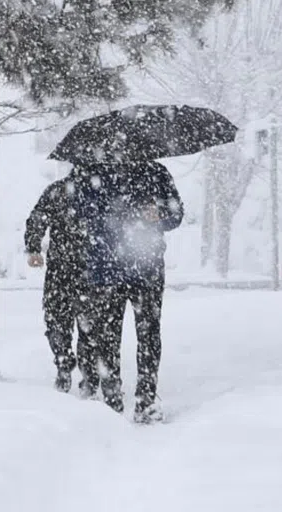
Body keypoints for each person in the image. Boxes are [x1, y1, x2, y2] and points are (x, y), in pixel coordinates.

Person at [78, 161, 184, 423]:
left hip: (146, 269)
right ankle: (112, 400)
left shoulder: (156, 172)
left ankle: (146, 400)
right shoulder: (96, 174)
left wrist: (159, 214)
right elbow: (82, 214)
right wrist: (112, 217)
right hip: (107, 269)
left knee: (148, 335)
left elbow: (176, 214)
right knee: (107, 337)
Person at [25, 165, 99, 395]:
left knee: (58, 321)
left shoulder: (57, 191)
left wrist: (34, 247)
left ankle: (64, 363)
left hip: (61, 269)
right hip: (91, 270)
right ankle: (88, 375)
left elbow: (37, 219)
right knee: (90, 327)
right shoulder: (101, 193)